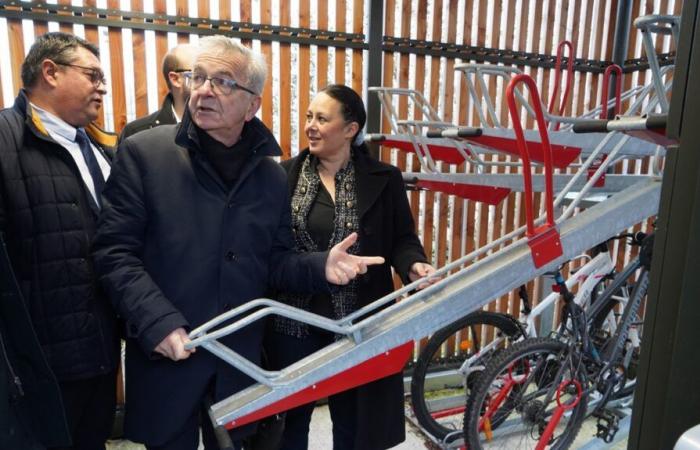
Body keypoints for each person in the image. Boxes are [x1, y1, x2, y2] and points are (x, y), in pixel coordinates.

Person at [92, 36, 384, 450]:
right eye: (199, 78)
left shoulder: (269, 176)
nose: (204, 90)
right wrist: (158, 322)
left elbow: (274, 262)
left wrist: (320, 266)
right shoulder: (144, 154)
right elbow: (114, 252)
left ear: (252, 105)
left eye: (223, 81)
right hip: (169, 354)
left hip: (238, 361)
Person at [266, 84, 438, 450]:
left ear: (350, 129)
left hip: (360, 324)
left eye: (322, 119)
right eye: (309, 117)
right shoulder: (283, 178)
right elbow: (271, 252)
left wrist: (414, 265)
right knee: (287, 429)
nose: (311, 126)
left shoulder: (385, 179)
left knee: (356, 426)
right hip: (294, 323)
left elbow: (402, 238)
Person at [0, 32, 120, 449]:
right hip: (36, 361)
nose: (102, 86)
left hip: (100, 349)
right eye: (93, 75)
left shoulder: (102, 147)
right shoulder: (5, 139)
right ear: (50, 72)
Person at [119, 43, 195, 141]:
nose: (207, 83)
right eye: (198, 74)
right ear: (175, 79)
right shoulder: (138, 133)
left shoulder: (216, 128)